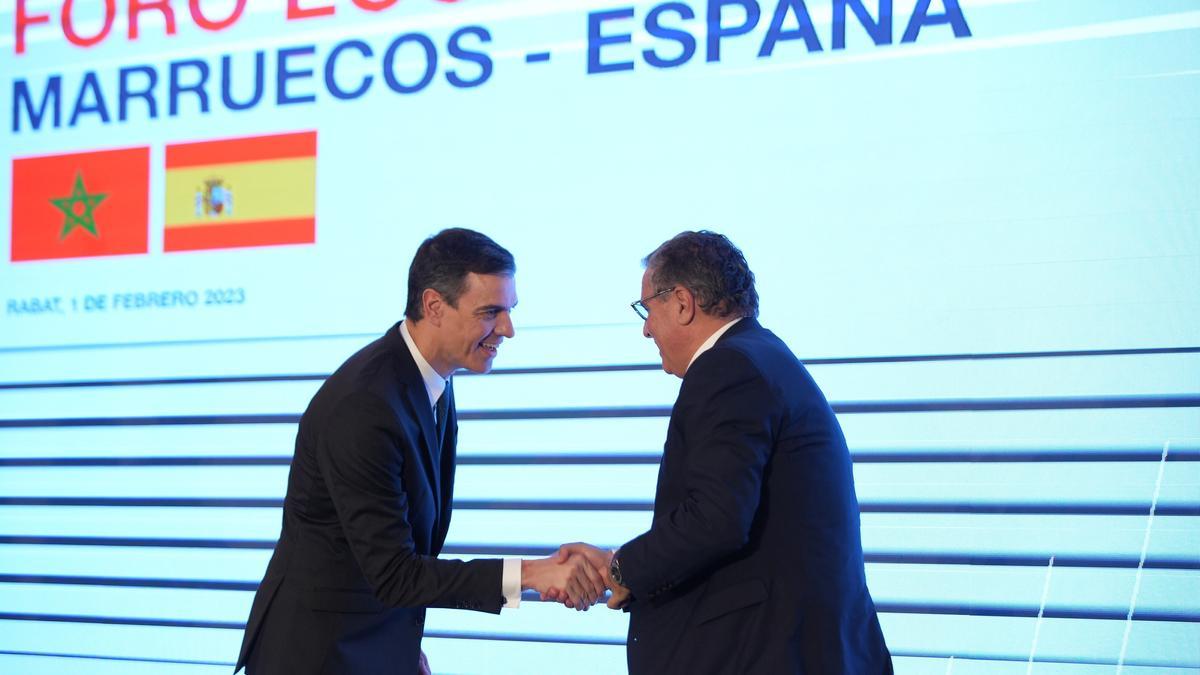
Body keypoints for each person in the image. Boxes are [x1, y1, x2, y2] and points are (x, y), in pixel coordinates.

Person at [235, 228, 603, 675]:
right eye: (490, 312)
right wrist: (530, 574)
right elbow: (395, 573)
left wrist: (402, 647)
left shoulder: (429, 381)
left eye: (509, 311)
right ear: (433, 306)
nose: (507, 329)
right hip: (319, 656)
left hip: (376, 643)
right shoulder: (366, 405)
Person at [561, 231, 892, 674]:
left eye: (647, 308)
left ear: (681, 302)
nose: (645, 328)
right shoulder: (764, 357)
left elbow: (715, 518)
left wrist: (621, 569)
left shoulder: (728, 367)